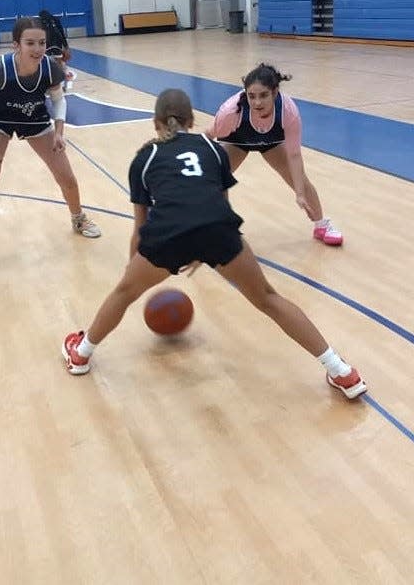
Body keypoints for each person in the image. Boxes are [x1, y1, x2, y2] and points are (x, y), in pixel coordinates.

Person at [62, 88, 366, 400]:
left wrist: (132, 274)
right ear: (192, 120)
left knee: (122, 294)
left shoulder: (145, 157)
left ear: (155, 123)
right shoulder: (213, 149)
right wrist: (204, 252)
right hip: (218, 229)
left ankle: (81, 354)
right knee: (268, 299)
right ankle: (342, 371)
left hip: (169, 235)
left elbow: (141, 227)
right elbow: (221, 206)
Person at [0, 16, 101, 277]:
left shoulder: (50, 68)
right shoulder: (0, 70)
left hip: (34, 117)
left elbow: (58, 100)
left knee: (66, 176)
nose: (37, 48)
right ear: (16, 45)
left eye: (42, 43)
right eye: (30, 43)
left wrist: (59, 130)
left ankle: (78, 218)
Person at [207, 63, 343, 246]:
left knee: (300, 179)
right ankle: (222, 229)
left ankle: (321, 225)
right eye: (251, 96)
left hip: (271, 142)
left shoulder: (288, 111)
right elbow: (209, 136)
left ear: (275, 92)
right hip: (236, 140)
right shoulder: (231, 111)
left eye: (263, 95)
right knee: (216, 178)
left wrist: (300, 194)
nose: (257, 102)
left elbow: (294, 155)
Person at [37, 9, 76, 89]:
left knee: (47, 65)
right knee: (60, 65)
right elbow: (62, 34)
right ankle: (64, 83)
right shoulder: (55, 20)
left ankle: (56, 83)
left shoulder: (41, 23)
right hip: (57, 46)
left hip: (48, 47)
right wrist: (66, 46)